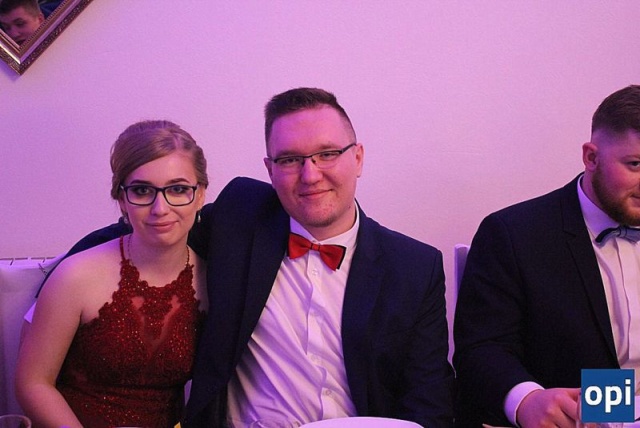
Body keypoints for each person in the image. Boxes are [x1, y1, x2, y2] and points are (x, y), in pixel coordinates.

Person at [48, 88, 454, 427]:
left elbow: (429, 400)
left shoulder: (413, 267)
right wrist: (55, 279)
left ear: (358, 157)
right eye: (290, 159)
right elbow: (154, 224)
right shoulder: (241, 218)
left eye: (327, 153)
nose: (310, 175)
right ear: (270, 169)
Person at [453, 84, 640, 428]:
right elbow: (481, 350)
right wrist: (526, 399)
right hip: (578, 419)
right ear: (591, 157)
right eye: (635, 164)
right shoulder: (513, 234)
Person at [15, 120, 209, 428]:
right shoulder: (76, 276)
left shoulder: (213, 279)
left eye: (178, 189)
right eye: (142, 191)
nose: (160, 208)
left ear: (200, 195)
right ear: (121, 199)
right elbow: (33, 383)